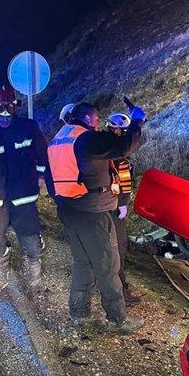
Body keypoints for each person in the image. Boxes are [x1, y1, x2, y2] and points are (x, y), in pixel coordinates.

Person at [49, 101, 145, 334]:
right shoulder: (85, 138)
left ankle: (79, 312)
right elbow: (122, 147)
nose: (97, 124)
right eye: (96, 119)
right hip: (92, 211)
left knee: (83, 262)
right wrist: (137, 123)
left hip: (68, 209)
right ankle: (117, 319)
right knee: (107, 264)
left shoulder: (59, 139)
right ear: (89, 118)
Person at [0, 85, 49, 294]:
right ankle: (2, 272)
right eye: (0, 108)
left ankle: (34, 263)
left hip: (23, 197)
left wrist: (41, 176)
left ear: (16, 108)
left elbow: (43, 154)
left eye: (10, 108)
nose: (5, 114)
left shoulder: (28, 127)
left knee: (31, 244)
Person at [105, 112, 141, 306]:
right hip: (112, 207)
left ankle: (109, 285)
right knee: (118, 246)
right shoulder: (115, 152)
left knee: (111, 247)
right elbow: (120, 183)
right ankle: (119, 291)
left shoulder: (107, 148)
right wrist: (121, 205)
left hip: (110, 205)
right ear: (117, 130)